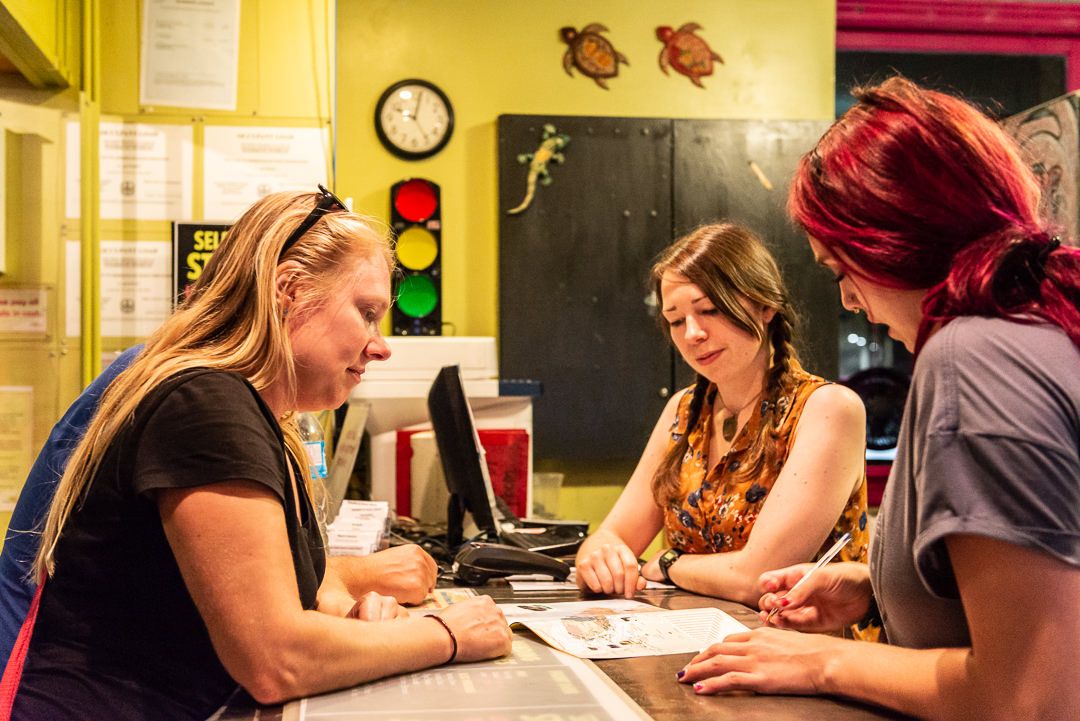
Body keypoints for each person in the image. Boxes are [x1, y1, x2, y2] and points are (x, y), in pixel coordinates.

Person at [6, 188, 511, 720]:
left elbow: (294, 594)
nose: (381, 344)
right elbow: (275, 660)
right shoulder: (205, 406)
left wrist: (355, 616)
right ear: (288, 290)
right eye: (366, 313)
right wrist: (446, 634)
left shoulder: (244, 408)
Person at [678, 77, 1080, 721]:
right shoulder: (1044, 325)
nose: (848, 301)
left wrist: (821, 662)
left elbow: (1033, 696)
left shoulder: (976, 357)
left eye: (841, 271)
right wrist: (877, 591)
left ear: (895, 240)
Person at [574, 222, 871, 611]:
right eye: (676, 320)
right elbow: (614, 536)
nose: (692, 333)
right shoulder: (683, 409)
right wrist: (597, 555)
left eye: (709, 310)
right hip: (697, 641)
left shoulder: (828, 409)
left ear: (764, 307)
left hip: (812, 656)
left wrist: (667, 562)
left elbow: (757, 578)